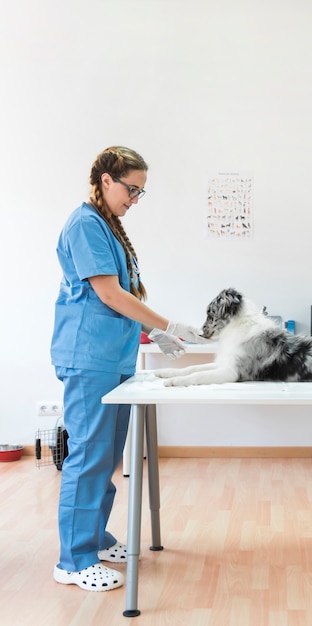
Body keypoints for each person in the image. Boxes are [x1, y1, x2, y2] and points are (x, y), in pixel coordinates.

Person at [50, 146, 207, 591]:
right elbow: (110, 295)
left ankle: (95, 540)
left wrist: (150, 334)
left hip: (113, 357)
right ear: (104, 180)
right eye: (130, 189)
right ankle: (73, 561)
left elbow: (121, 299)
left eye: (141, 192)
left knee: (107, 457)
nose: (134, 199)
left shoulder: (109, 226)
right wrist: (168, 324)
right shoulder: (84, 223)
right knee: (88, 457)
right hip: (88, 357)